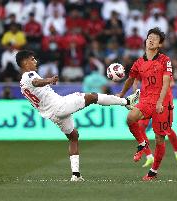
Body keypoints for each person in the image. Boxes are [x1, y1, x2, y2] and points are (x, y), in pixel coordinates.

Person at [16, 50, 139, 182]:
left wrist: (45, 81)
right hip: (59, 106)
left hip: (52, 114)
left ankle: (76, 175)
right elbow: (36, 82)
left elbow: (35, 85)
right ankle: (126, 101)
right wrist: (49, 80)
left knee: (73, 137)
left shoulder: (22, 84)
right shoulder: (28, 75)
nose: (35, 61)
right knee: (92, 96)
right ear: (24, 62)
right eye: (32, 59)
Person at [117, 27, 175, 181]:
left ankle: (153, 172)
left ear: (160, 44)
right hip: (146, 100)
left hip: (163, 102)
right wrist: (122, 94)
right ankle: (143, 143)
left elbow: (166, 82)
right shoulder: (139, 62)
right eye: (150, 37)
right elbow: (130, 79)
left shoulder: (165, 60)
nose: (151, 39)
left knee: (160, 139)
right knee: (130, 118)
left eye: (155, 38)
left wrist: (160, 101)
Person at [131, 79, 177, 168]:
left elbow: (172, 83)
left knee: (166, 129)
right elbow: (136, 81)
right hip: (147, 102)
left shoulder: (163, 68)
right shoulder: (143, 67)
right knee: (140, 128)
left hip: (161, 102)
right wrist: (136, 92)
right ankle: (149, 156)